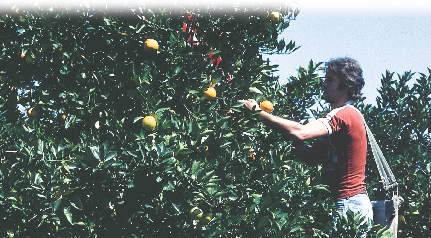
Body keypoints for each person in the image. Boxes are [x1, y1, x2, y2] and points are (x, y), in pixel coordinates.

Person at [238, 57, 373, 233]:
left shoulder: (345, 115)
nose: (324, 84)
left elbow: (301, 132)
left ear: (346, 86)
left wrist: (259, 113)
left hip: (350, 206)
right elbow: (311, 156)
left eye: (330, 80)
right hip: (346, 205)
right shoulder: (339, 119)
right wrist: (279, 131)